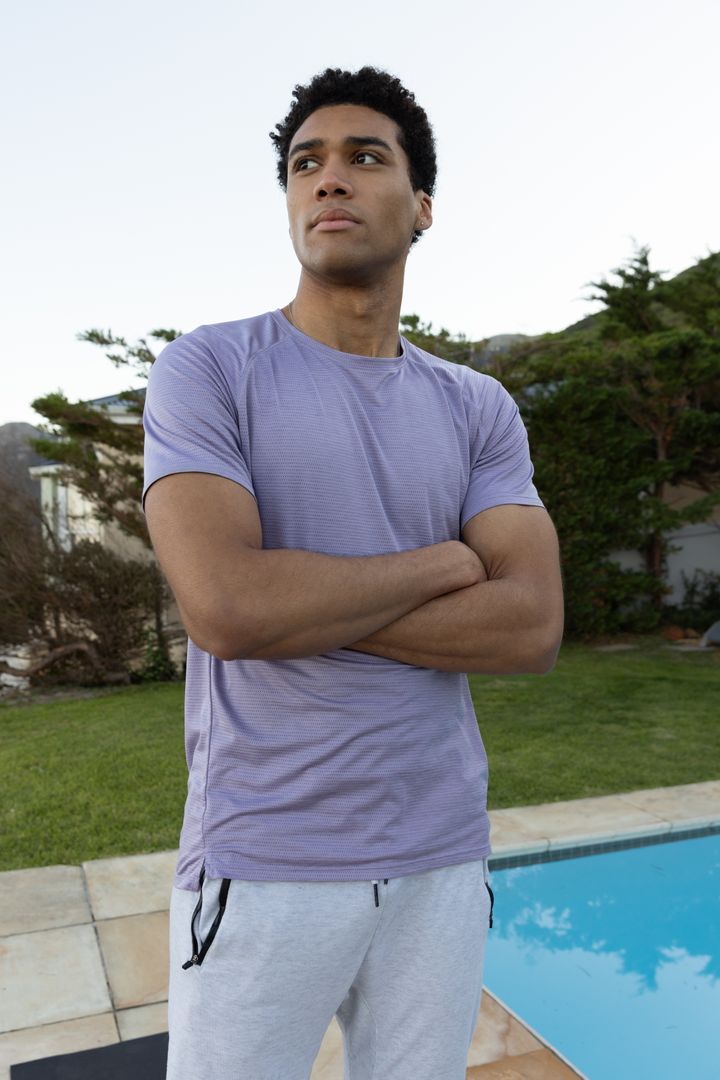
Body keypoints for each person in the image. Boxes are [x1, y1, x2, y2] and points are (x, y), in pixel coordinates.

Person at [142, 65, 564, 1080]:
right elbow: (228, 608)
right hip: (267, 861)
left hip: (441, 857)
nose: (328, 179)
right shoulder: (210, 369)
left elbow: (528, 628)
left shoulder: (477, 407)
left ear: (420, 207)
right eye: (305, 164)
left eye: (364, 157)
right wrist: (446, 563)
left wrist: (301, 603)